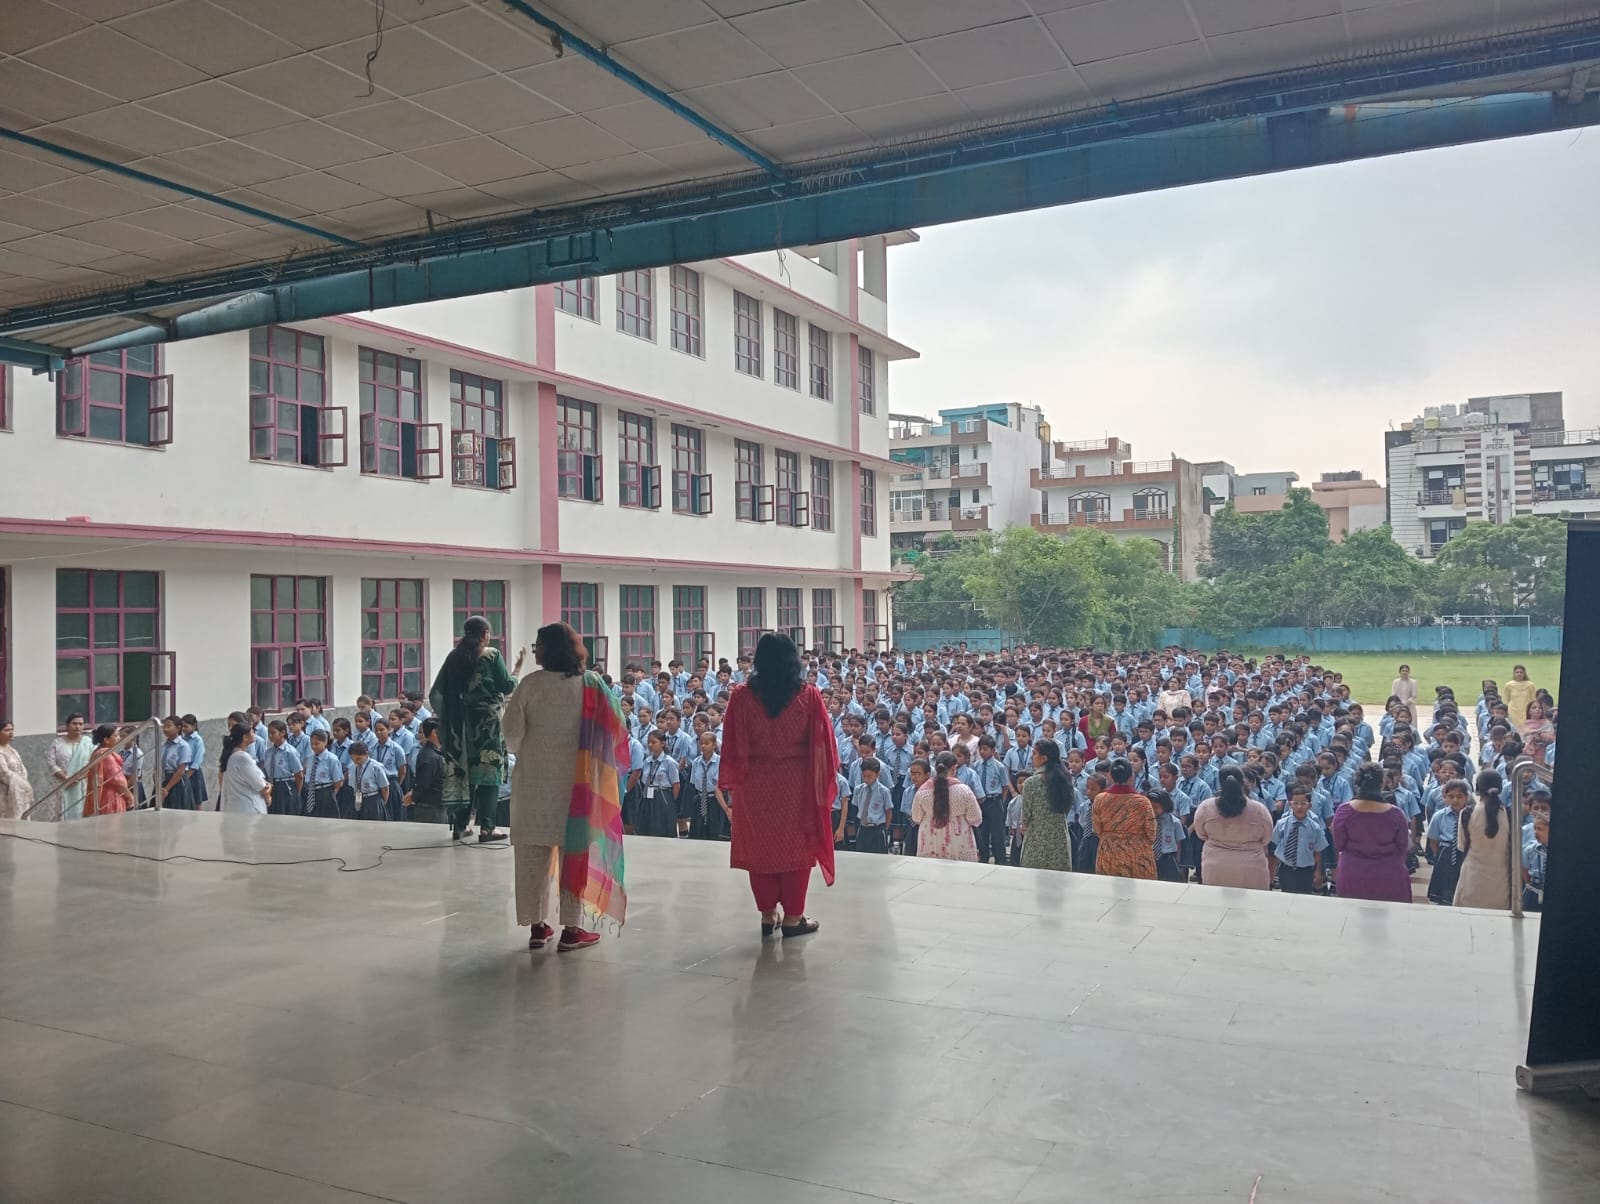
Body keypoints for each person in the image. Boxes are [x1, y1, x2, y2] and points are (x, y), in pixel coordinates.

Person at [502, 622, 629, 953]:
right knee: (574, 857)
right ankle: (571, 930)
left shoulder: (529, 685)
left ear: (548, 651)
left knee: (531, 860)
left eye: (537, 647)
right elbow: (616, 728)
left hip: (533, 790)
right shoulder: (590, 684)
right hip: (577, 789)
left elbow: (511, 737)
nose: (535, 653)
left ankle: (537, 927)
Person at [719, 633, 840, 940]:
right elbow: (825, 745)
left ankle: (767, 914)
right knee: (796, 850)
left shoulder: (741, 696)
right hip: (796, 784)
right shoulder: (809, 696)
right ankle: (793, 918)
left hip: (754, 785)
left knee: (760, 849)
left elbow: (731, 743)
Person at [428, 615, 524, 843]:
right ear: (485, 634)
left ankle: (460, 827)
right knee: (490, 775)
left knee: (466, 775)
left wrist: (449, 718)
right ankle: (487, 829)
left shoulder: (454, 657)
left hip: (462, 727)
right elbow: (506, 686)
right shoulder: (492, 655)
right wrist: (517, 669)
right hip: (488, 727)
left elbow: (436, 693)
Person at [1331, 763, 1412, 903]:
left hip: (1353, 873)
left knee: (1351, 913)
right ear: (1381, 784)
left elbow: (1339, 844)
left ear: (1357, 784)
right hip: (1389, 874)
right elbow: (1403, 846)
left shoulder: (1344, 811)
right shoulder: (1396, 814)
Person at [1191, 765, 1275, 889]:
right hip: (1251, 867)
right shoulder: (1259, 809)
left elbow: (1200, 833)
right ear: (1243, 782)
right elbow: (1267, 837)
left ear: (1220, 783)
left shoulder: (1206, 807)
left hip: (1215, 866)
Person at [1453, 769, 1514, 910]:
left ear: (1477, 788)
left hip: (1472, 877)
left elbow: (1462, 845)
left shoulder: (1467, 813)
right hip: (1501, 879)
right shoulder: (1510, 814)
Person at [1091, 758, 1157, 880]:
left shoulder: (1099, 799)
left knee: (1108, 889)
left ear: (1111, 776)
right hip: (1138, 855)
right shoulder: (1142, 802)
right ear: (1131, 777)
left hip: (1108, 854)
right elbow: (1151, 833)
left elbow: (1097, 830)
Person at [910, 749, 982, 861]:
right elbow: (975, 818)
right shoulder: (964, 791)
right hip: (959, 840)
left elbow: (916, 818)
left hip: (930, 839)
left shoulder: (923, 791)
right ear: (954, 768)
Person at [1019, 739, 1074, 872]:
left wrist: (1024, 826)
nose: (1031, 757)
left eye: (1034, 753)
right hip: (1059, 841)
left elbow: (1025, 817)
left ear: (1043, 758)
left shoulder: (1031, 783)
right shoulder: (1065, 778)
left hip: (1036, 841)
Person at [1270, 782, 1327, 895]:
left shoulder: (1315, 828)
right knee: (1286, 894)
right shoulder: (1282, 824)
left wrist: (1317, 871)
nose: (1299, 807)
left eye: (1303, 803)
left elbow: (1318, 851)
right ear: (1290, 805)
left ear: (1309, 806)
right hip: (1286, 868)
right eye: (1295, 803)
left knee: (1304, 896)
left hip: (1306, 870)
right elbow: (1275, 844)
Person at [1425, 778, 1469, 905]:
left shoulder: (1471, 815)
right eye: (1451, 796)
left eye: (1459, 796)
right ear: (1445, 798)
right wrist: (1439, 854)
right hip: (1445, 854)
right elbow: (1433, 840)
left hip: (1465, 854)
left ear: (1466, 797)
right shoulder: (1439, 816)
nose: (1455, 800)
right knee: (1444, 888)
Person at [48, 713, 94, 821]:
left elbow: (93, 762)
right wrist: (66, 778)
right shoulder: (57, 743)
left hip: (82, 783)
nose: (78, 727)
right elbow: (51, 763)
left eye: (81, 724)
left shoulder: (88, 743)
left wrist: (79, 777)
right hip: (61, 783)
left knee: (82, 814)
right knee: (61, 813)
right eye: (74, 724)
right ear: (67, 726)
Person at [404, 717, 449, 827]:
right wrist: (414, 796)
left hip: (438, 806)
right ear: (434, 732)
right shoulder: (429, 755)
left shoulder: (436, 752)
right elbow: (424, 782)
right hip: (430, 809)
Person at [217, 721, 270, 814]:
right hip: (248, 808)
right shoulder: (242, 758)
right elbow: (260, 785)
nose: (254, 735)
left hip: (237, 807)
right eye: (252, 733)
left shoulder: (233, 756)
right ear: (245, 737)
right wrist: (268, 794)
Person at [84, 724, 134, 816]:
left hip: (103, 797)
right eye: (116, 736)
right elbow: (118, 782)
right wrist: (129, 796)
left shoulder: (98, 752)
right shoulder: (106, 756)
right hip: (110, 799)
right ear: (106, 740)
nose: (119, 738)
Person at [852, 757, 894, 854]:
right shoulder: (858, 789)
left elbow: (888, 812)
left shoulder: (884, 791)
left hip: (877, 829)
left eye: (870, 776)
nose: (866, 779)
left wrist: (885, 828)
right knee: (861, 856)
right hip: (863, 828)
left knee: (878, 857)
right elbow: (856, 807)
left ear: (878, 774)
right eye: (864, 776)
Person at [0, 719, 36, 820]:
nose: (11, 732)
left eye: (12, 729)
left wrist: (23, 782)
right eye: (7, 730)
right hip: (5, 795)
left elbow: (22, 768)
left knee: (23, 818)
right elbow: (4, 774)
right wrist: (22, 783)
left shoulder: (11, 749)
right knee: (9, 822)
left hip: (20, 792)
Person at [1149, 788, 1186, 882]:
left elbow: (1178, 845)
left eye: (1156, 807)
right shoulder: (1147, 821)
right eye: (1150, 807)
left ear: (1165, 806)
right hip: (1150, 857)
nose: (1153, 810)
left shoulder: (1175, 822)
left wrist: (1177, 862)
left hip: (1167, 858)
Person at [1501, 665, 1536, 734]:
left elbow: (1533, 700)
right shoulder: (1509, 685)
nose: (1519, 674)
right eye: (1517, 672)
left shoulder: (1530, 685)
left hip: (1526, 712)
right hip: (1513, 712)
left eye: (1521, 672)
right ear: (1514, 674)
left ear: (1524, 674)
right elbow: (1505, 700)